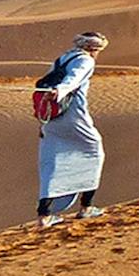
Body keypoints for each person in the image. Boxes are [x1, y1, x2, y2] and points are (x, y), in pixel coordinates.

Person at [35, 31, 109, 226]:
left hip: (51, 117)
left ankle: (45, 214)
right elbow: (73, 80)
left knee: (51, 161)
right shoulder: (85, 61)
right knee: (94, 151)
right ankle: (87, 207)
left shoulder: (63, 58)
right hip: (72, 114)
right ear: (93, 49)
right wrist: (60, 91)